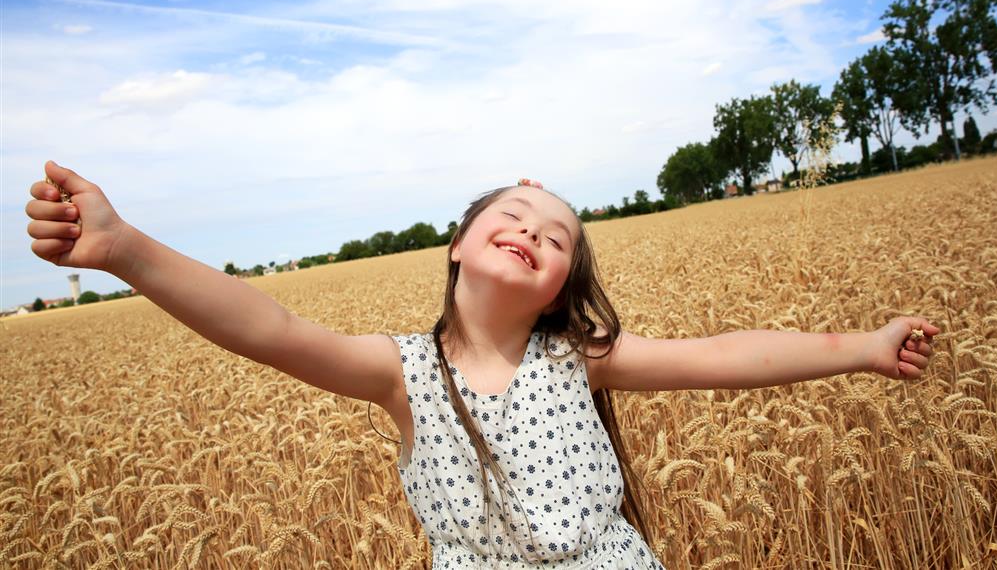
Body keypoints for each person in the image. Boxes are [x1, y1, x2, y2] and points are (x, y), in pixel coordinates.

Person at [24, 161, 938, 569]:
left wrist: (862, 348)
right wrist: (124, 250)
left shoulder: (582, 360)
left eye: (556, 238)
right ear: (459, 244)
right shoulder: (401, 372)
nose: (532, 232)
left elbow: (728, 354)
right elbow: (267, 322)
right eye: (512, 213)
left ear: (556, 290)